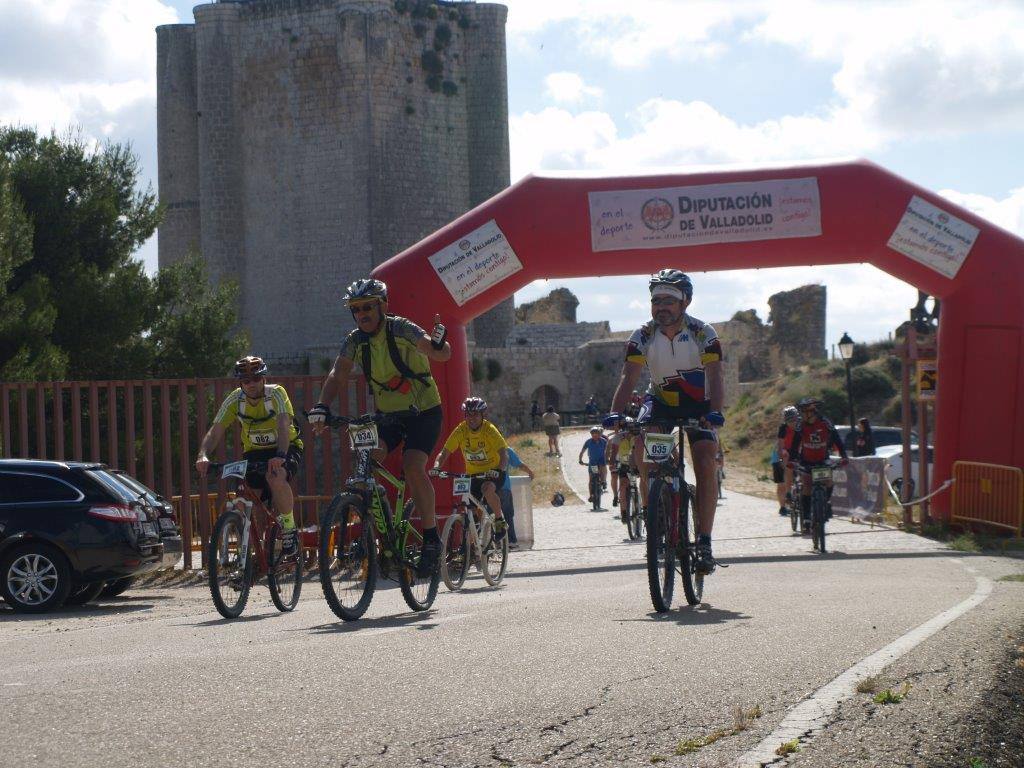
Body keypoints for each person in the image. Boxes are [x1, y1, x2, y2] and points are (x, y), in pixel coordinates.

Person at [307, 278, 451, 577]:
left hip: (423, 411)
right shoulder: (355, 340)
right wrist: (322, 406)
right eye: (356, 309)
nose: (362, 313)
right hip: (389, 415)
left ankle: (431, 539)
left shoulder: (401, 328)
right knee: (367, 456)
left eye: (368, 307)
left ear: (382, 306)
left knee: (413, 466)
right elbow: (338, 374)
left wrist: (440, 344)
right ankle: (383, 526)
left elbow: (436, 351)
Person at [610, 268, 725, 575]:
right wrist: (616, 413)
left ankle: (704, 541)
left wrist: (714, 412)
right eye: (656, 300)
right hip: (660, 402)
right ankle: (652, 514)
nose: (661, 306)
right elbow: (629, 377)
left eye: (668, 300)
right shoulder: (642, 336)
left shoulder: (704, 333)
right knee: (644, 446)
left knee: (704, 460)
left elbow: (715, 376)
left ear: (685, 302)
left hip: (698, 403)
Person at [196, 356, 303, 556]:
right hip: (254, 451)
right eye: (246, 381)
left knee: (275, 476)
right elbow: (215, 430)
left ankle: (289, 528)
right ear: (240, 383)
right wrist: (203, 455)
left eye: (256, 378)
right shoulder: (235, 399)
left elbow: (282, 424)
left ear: (264, 378)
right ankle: (256, 551)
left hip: (285, 446)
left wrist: (280, 455)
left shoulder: (276, 393)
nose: (251, 384)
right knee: (247, 496)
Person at [433, 397, 510, 541]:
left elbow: (503, 454)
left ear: (483, 415)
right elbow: (444, 452)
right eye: (468, 414)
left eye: (475, 414)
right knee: (470, 506)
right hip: (473, 474)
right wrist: (437, 467)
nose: (471, 418)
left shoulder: (489, 430)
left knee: (487, 489)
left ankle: (499, 520)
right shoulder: (461, 430)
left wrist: (499, 470)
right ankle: (475, 545)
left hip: (493, 472)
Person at [789, 397, 848, 532]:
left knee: (828, 482)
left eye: (803, 413)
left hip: (822, 459)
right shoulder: (800, 425)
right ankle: (806, 519)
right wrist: (792, 460)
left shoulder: (825, 423)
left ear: (811, 413)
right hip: (806, 460)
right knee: (807, 486)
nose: (801, 416)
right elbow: (795, 444)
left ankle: (825, 502)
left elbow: (837, 440)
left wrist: (844, 456)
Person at [499, 446, 534, 550]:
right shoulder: (506, 449)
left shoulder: (485, 448)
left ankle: (492, 541)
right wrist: (530, 472)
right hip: (504, 487)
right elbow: (519, 464)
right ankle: (511, 541)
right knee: (507, 515)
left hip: (487, 487)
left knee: (489, 515)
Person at [774, 405, 800, 516]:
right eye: (790, 421)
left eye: (794, 420)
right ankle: (783, 506)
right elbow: (780, 446)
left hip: (796, 453)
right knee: (782, 483)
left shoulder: (801, 426)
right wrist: (782, 457)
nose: (792, 423)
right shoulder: (783, 428)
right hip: (782, 454)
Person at [577, 426, 609, 503]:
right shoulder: (588, 442)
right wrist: (580, 460)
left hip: (601, 460)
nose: (595, 435)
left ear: (599, 434)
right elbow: (582, 451)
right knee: (591, 478)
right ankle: (591, 494)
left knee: (603, 467)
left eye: (596, 434)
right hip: (593, 462)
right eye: (593, 434)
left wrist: (608, 458)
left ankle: (604, 481)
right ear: (591, 434)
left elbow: (608, 450)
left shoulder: (604, 441)